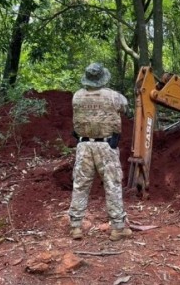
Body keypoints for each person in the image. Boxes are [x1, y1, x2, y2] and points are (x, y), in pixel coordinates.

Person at [68, 62, 132, 241]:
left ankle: (75, 227)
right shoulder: (114, 96)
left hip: (83, 146)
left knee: (80, 185)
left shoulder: (77, 96)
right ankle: (118, 227)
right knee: (112, 185)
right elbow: (127, 109)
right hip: (106, 146)